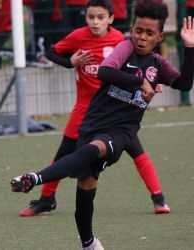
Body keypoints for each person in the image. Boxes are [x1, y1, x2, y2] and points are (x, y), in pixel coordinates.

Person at [10, 1, 194, 249]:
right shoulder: (124, 48)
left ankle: (35, 177)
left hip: (122, 131)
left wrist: (190, 48)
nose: (142, 37)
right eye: (138, 30)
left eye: (149, 33)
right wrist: (139, 82)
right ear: (131, 29)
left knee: (92, 150)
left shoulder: (158, 64)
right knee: (85, 188)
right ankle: (88, 243)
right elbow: (105, 72)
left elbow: (184, 84)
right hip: (93, 123)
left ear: (160, 36)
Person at [24, 0, 62, 68]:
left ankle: (44, 55)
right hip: (40, 7)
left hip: (50, 8)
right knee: (39, 33)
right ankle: (38, 56)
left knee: (48, 33)